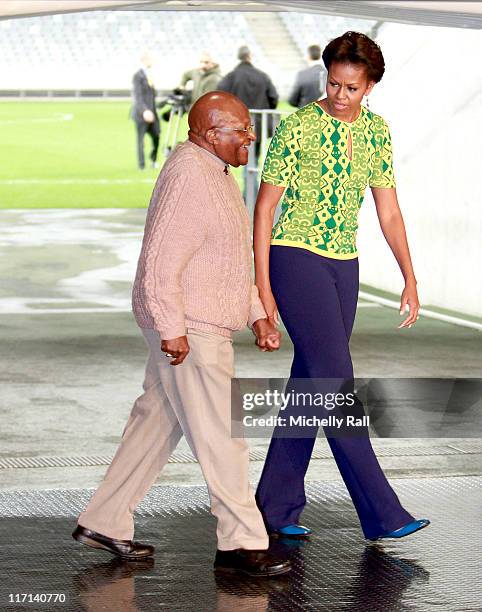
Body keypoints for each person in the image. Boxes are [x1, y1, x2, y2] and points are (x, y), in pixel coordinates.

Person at [72, 91, 291, 578]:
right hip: (189, 327)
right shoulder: (190, 177)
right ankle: (240, 542)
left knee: (156, 424)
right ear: (211, 134)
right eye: (241, 130)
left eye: (250, 129)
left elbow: (227, 259)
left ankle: (103, 519)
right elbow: (159, 262)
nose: (251, 137)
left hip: (193, 321)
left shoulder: (216, 172)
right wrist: (172, 329)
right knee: (222, 435)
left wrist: (256, 311)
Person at [253, 31, 430, 541]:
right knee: (335, 383)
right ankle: (381, 511)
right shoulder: (297, 127)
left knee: (312, 386)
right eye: (333, 83)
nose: (339, 95)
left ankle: (274, 504)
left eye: (351, 87)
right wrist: (263, 288)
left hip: (344, 266)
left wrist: (410, 278)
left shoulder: (377, 132)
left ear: (369, 85)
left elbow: (389, 210)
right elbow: (265, 209)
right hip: (295, 256)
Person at [218, 46, 279, 195]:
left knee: (233, 161)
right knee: (252, 160)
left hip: (235, 127)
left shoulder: (231, 76)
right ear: (250, 57)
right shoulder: (262, 76)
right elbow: (274, 98)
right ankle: (251, 193)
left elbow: (219, 95)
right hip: (257, 125)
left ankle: (246, 194)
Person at [131, 52, 160, 170]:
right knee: (141, 140)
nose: (152, 62)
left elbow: (151, 95)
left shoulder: (149, 75)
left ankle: (153, 160)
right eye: (150, 59)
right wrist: (144, 111)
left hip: (153, 112)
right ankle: (141, 165)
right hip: (141, 114)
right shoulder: (138, 76)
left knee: (156, 136)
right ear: (145, 60)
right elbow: (138, 96)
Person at [288, 44, 326, 108]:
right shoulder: (331, 73)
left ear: (308, 56)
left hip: (306, 114)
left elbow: (292, 100)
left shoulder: (302, 74)